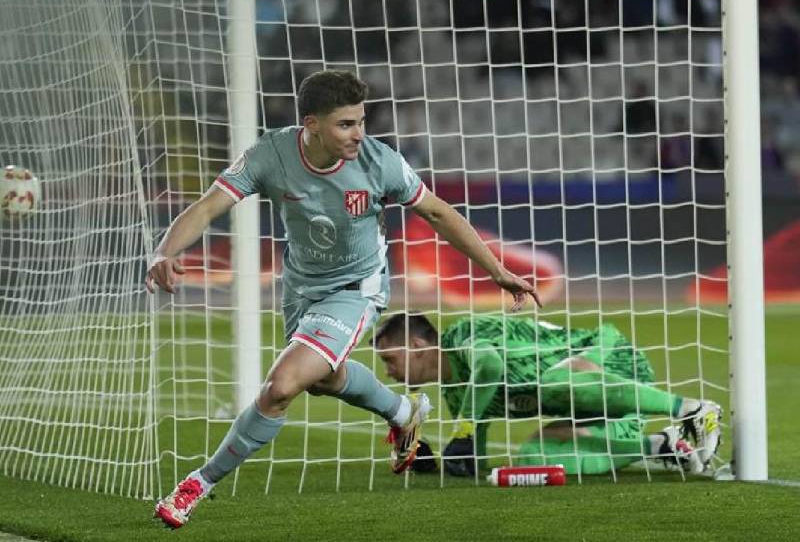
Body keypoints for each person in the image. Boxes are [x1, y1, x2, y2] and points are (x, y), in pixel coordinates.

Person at [146, 70, 540, 528]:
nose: (358, 134)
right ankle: (403, 411)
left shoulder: (379, 162)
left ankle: (198, 482)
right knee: (322, 379)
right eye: (345, 124)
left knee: (282, 386)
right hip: (300, 287)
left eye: (361, 121)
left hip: (357, 289)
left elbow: (437, 211)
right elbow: (210, 204)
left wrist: (497, 271)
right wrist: (165, 251)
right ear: (311, 125)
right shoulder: (270, 153)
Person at [373, 313, 722, 477]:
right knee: (533, 458)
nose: (388, 371)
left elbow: (490, 366)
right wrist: (436, 463)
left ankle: (691, 409)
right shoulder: (455, 390)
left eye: (389, 359)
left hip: (611, 364)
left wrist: (463, 430)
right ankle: (661, 445)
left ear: (417, 345)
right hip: (593, 407)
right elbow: (473, 459)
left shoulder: (464, 336)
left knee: (553, 382)